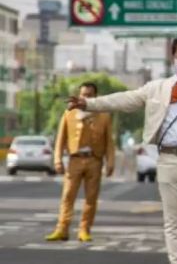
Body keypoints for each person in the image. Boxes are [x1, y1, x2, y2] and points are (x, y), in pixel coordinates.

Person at [68, 36, 177, 264]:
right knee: (173, 220)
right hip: (167, 159)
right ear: (173, 57)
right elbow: (124, 99)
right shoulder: (157, 88)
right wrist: (89, 103)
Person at [46, 82, 115, 242]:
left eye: (90, 95)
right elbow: (60, 139)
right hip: (74, 160)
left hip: (94, 160)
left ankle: (84, 229)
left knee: (91, 197)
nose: (86, 97)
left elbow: (109, 142)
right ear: (79, 95)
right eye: (83, 94)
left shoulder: (103, 116)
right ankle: (62, 228)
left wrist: (110, 162)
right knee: (68, 196)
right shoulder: (69, 114)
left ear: (95, 97)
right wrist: (57, 160)